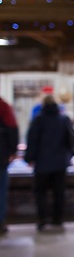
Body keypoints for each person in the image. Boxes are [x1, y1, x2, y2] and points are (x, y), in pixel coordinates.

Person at [25, 95, 74, 232]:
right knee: (59, 192)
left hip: (42, 164)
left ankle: (42, 220)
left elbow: (32, 140)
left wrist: (28, 159)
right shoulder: (63, 119)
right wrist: (70, 156)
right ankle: (57, 219)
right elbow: (72, 140)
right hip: (60, 163)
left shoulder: (38, 120)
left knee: (41, 193)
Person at [0, 97, 19, 235]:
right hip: (1, 157)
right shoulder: (3, 106)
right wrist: (12, 151)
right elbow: (13, 128)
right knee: (1, 192)